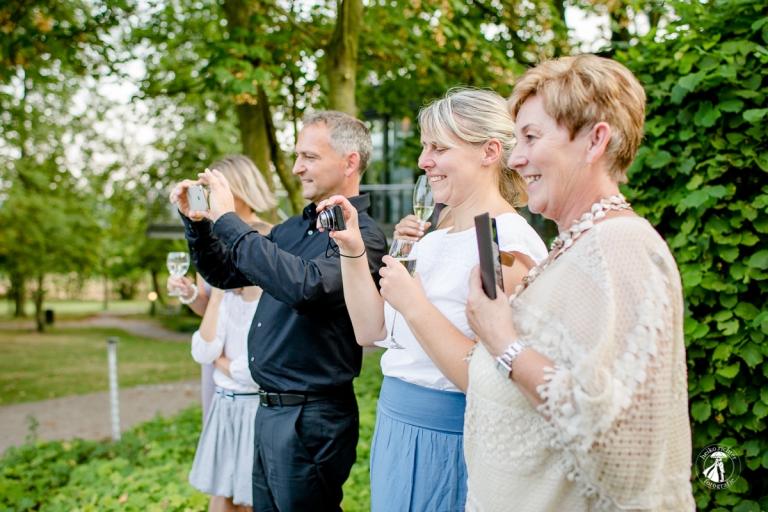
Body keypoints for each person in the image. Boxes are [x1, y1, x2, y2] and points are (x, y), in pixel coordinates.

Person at [464, 55, 695, 511]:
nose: (515, 158)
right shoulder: (576, 245)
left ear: (595, 141)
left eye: (531, 137)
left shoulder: (622, 246)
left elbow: (622, 446)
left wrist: (503, 341)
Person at [316, 88, 548, 512]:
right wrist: (352, 248)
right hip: (395, 429)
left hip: (449, 441)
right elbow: (371, 331)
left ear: (489, 152)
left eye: (439, 148)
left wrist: (414, 304)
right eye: (425, 147)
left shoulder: (500, 244)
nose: (424, 161)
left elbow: (491, 380)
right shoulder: (436, 239)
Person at [169, 111, 388, 512]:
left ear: (350, 162)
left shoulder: (364, 236)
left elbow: (307, 287)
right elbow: (224, 274)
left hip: (312, 416)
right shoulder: (289, 230)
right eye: (297, 156)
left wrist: (228, 219)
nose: (296, 167)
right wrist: (197, 224)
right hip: (268, 410)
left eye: (309, 157)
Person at [167, 155, 275, 421]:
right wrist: (189, 293)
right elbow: (208, 307)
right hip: (214, 351)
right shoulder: (207, 240)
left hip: (248, 362)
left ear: (240, 189)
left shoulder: (271, 236)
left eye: (217, 188)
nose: (211, 196)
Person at [188, 281, 262, 512]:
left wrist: (217, 359)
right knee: (223, 493)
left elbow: (255, 373)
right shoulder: (226, 301)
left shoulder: (271, 304)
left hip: (255, 410)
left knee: (254, 495)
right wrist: (217, 298)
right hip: (223, 408)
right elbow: (202, 352)